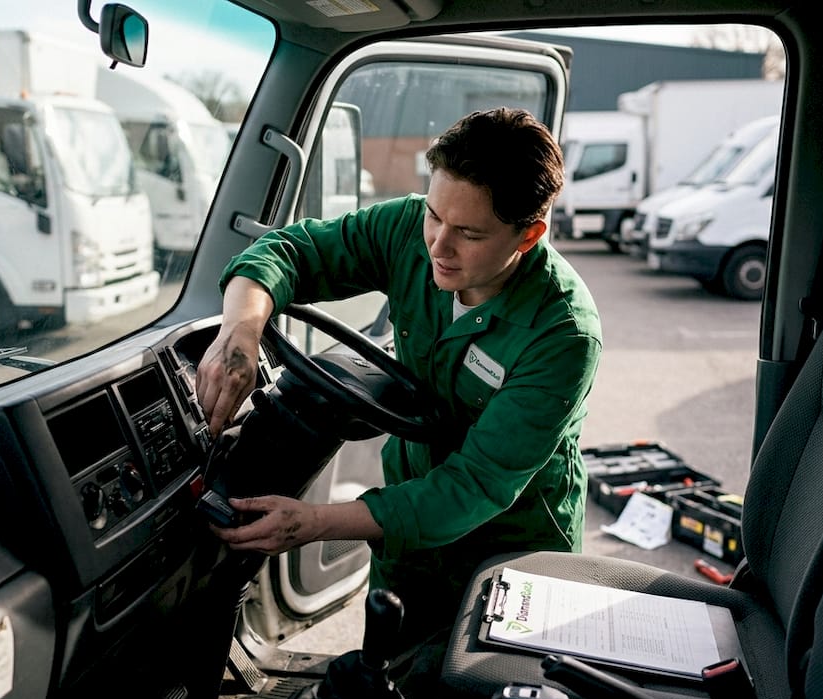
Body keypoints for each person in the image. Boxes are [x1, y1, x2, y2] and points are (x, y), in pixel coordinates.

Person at [195, 107, 602, 657]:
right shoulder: (408, 228)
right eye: (435, 216)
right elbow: (289, 252)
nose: (437, 246)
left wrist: (313, 523)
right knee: (386, 671)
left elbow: (475, 486)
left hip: (508, 549)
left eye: (469, 234)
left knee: (474, 688)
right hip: (406, 526)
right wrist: (240, 333)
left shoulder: (564, 334)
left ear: (528, 234)